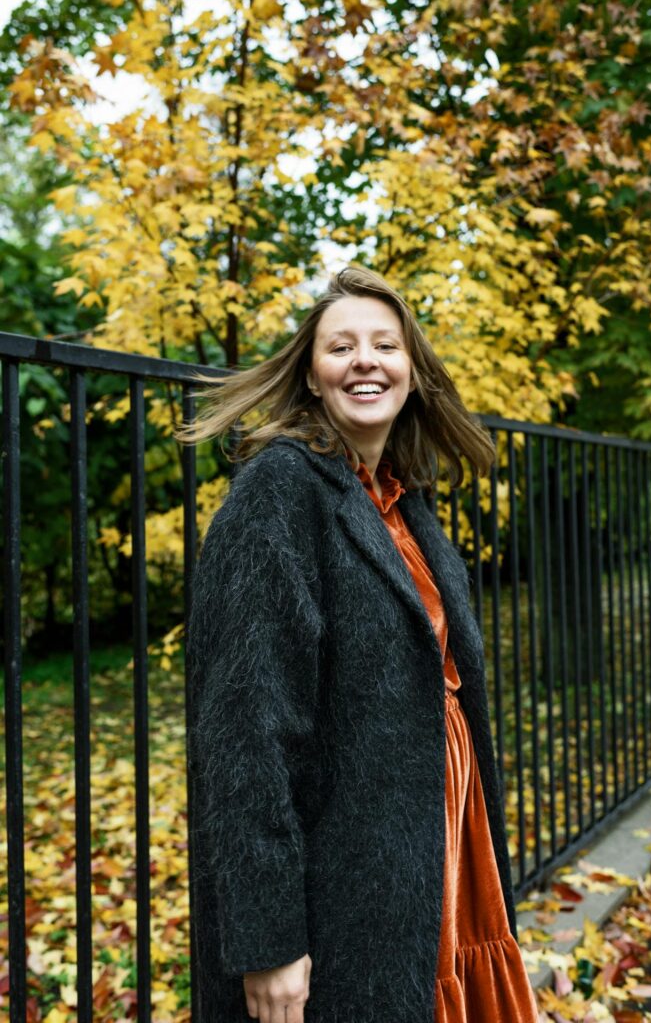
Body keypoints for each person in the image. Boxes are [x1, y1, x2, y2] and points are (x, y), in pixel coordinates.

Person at [176, 264, 539, 1023]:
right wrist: (268, 940)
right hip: (349, 877)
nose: (365, 360)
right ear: (311, 377)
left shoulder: (403, 503)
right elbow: (246, 734)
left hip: (435, 853)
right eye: (341, 347)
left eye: (385, 344)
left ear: (412, 371)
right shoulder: (279, 493)